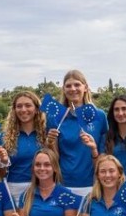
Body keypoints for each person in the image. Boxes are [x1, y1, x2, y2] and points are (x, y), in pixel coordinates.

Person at [45, 69, 108, 198]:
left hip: (93, 184)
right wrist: (50, 142)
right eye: (68, 86)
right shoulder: (56, 117)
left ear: (85, 87)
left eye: (77, 85)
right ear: (63, 89)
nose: (73, 89)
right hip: (64, 183)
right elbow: (54, 157)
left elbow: (104, 154)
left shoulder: (99, 116)